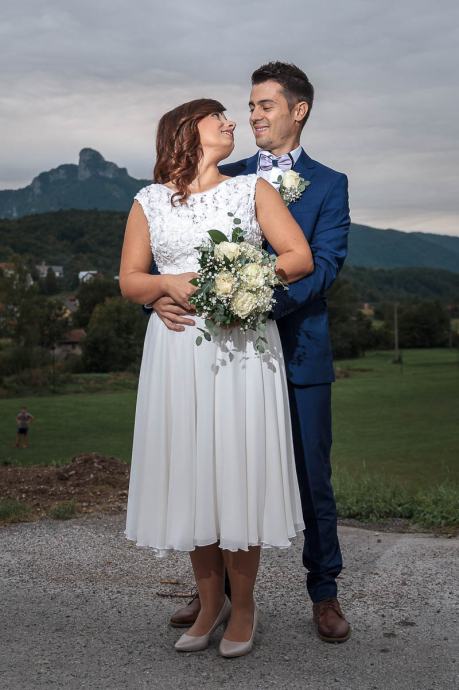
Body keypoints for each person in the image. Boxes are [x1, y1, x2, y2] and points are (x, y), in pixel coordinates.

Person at [152, 62, 352, 643]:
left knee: (312, 477)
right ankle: (215, 595)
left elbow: (325, 264)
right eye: (250, 106)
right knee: (215, 471)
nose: (253, 116)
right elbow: (175, 253)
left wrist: (253, 304)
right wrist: (159, 301)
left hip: (298, 350)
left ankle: (324, 593)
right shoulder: (227, 175)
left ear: (298, 110)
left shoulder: (330, 183)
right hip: (223, 360)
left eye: (265, 105)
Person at [120, 98, 314, 658]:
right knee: (192, 474)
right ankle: (209, 605)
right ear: (187, 130)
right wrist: (165, 286)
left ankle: (244, 607)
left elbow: (298, 257)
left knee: (236, 471)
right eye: (219, 117)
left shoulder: (253, 188)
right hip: (177, 352)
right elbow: (131, 280)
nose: (233, 123)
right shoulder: (149, 201)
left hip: (241, 350)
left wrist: (242, 279)